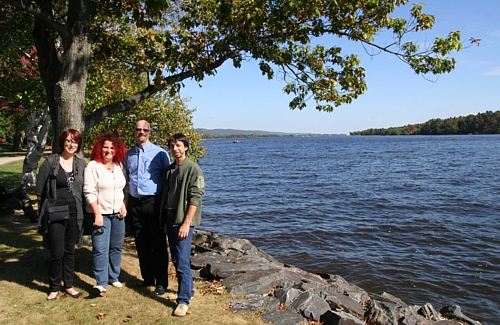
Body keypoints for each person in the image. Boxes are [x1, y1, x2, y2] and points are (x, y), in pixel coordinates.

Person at [36, 129, 86, 301]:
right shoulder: (51, 162)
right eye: (68, 141)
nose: (71, 144)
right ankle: (54, 287)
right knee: (57, 252)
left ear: (78, 145)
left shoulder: (81, 164)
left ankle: (69, 286)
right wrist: (42, 212)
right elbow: (40, 189)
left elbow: (84, 189)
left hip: (74, 212)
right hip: (55, 212)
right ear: (62, 142)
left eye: (75, 141)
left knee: (70, 251)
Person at [160, 133, 205, 317]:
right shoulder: (170, 169)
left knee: (182, 261)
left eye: (178, 145)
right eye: (172, 145)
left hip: (182, 221)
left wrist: (186, 223)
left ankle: (183, 300)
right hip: (170, 219)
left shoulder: (193, 169)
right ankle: (189, 291)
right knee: (177, 259)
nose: (175, 148)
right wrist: (164, 220)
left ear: (186, 147)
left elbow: (195, 197)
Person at [125, 120, 170, 295]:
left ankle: (161, 282)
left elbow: (167, 182)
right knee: (141, 242)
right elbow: (128, 180)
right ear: (135, 132)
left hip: (154, 202)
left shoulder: (160, 154)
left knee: (158, 244)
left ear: (150, 132)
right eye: (138, 129)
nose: (141, 132)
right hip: (136, 204)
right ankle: (147, 279)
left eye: (145, 130)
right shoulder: (128, 155)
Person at [83, 133, 128, 296]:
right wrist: (97, 213)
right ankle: (101, 282)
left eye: (111, 147)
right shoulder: (93, 166)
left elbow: (125, 188)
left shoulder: (119, 165)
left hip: (118, 214)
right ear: (99, 149)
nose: (108, 150)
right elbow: (88, 192)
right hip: (100, 214)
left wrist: (124, 205)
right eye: (105, 147)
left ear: (116, 150)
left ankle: (113, 276)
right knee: (100, 249)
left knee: (116, 247)